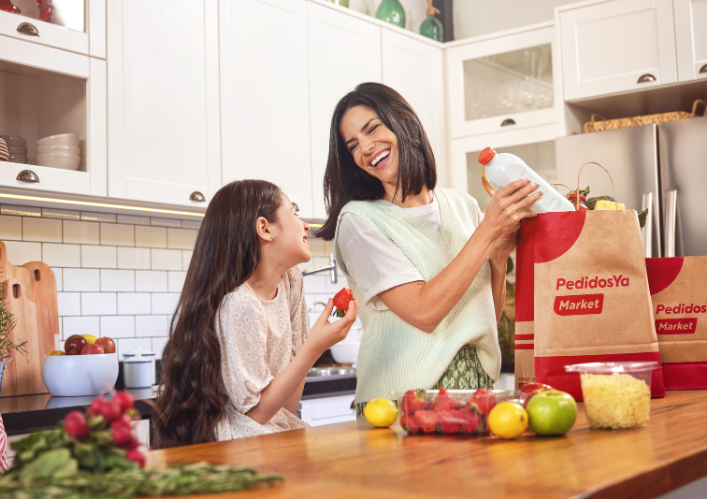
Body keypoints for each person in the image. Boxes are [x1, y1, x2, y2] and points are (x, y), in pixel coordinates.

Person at [314, 83, 541, 417]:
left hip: (475, 392)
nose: (365, 147)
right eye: (353, 145)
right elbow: (424, 312)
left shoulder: (463, 205)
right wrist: (488, 230)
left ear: (403, 122)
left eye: (372, 128)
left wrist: (497, 259)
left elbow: (481, 319)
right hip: (400, 404)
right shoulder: (359, 222)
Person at [153, 180, 358, 447]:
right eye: (294, 212)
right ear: (264, 228)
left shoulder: (291, 283)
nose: (306, 225)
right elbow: (255, 415)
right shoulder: (240, 304)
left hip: (273, 433)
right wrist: (315, 347)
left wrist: (311, 345)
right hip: (241, 446)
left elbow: (285, 407)